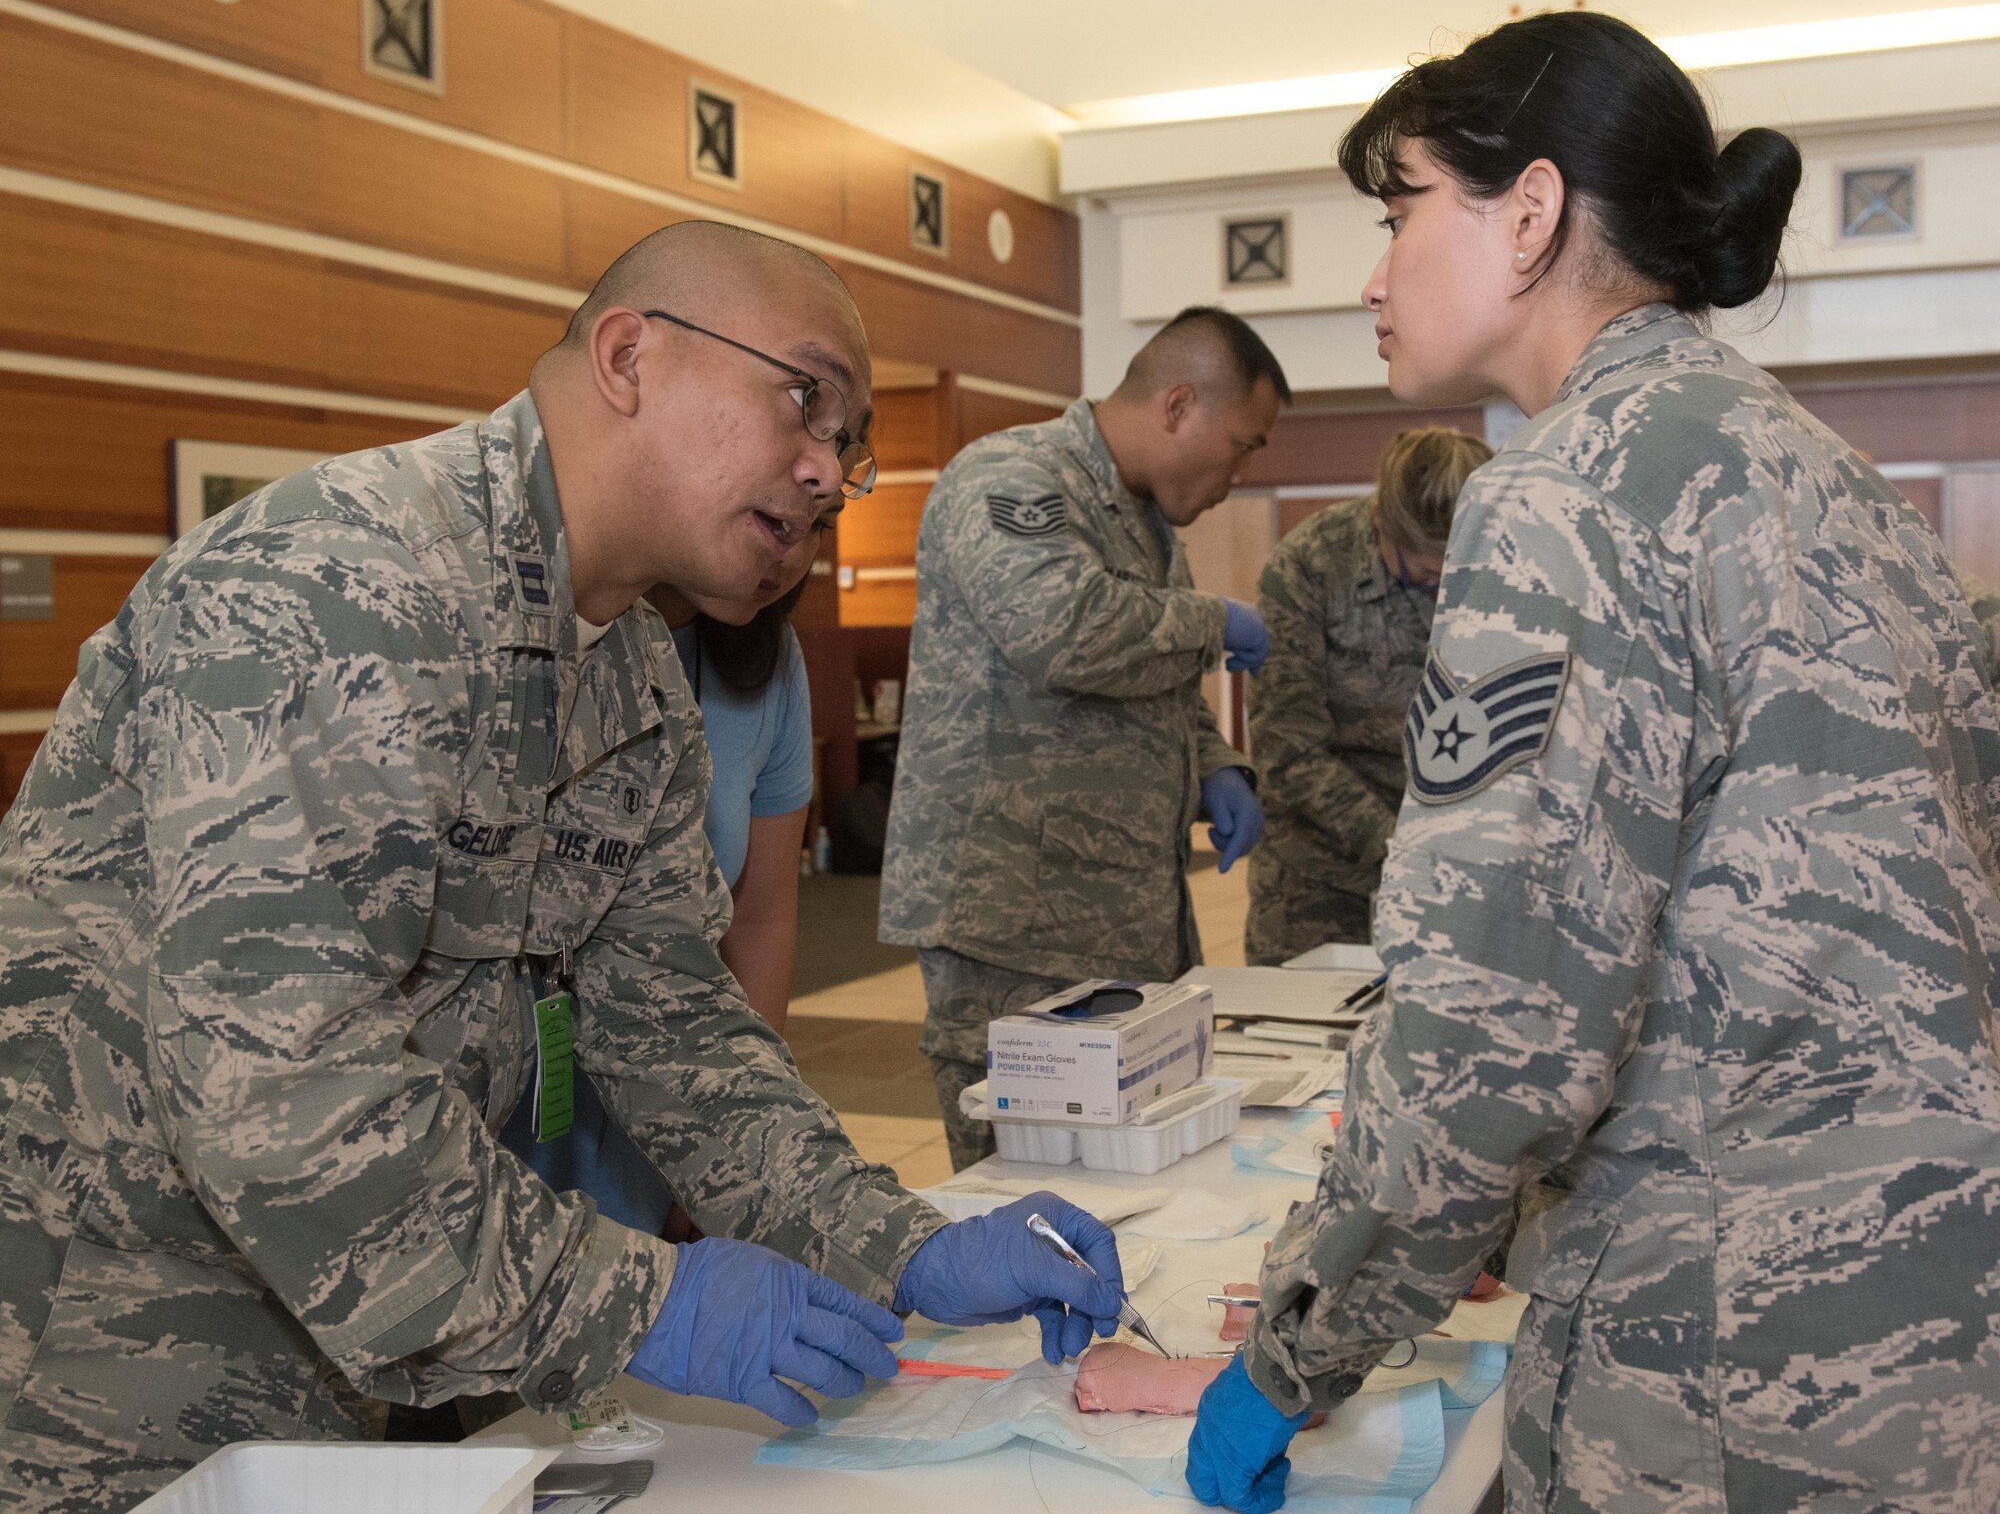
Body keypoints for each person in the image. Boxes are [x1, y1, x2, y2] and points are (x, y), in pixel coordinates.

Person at [0, 220, 1124, 1510]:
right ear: (629, 354)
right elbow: (282, 1087)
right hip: (105, 1338)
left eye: (849, 446)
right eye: (804, 399)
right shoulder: (340, 588)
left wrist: (895, 1243)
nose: (827, 473)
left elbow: (672, 1030)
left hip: (375, 1339)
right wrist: (640, 1303)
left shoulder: (632, 675)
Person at [1185, 12, 2000, 1514]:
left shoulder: (1569, 492)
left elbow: (1496, 1036)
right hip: (1933, 1325)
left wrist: (1295, 1347)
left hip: (1721, 1360)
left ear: (1534, 212)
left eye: (1399, 209)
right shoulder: (1829, 477)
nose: (1370, 277)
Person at [879, 306, 1286, 1170]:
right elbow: (1061, 629)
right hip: (1014, 932)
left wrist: (1217, 764)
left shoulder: (1144, 523)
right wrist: (1212, 620)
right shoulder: (1015, 478)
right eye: (1244, 444)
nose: (1239, 476)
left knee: (1141, 1195)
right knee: (1023, 1202)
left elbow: (1156, 675)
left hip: (1128, 922)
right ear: (1178, 406)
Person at [498, 518, 827, 1240]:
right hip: (487, 1093)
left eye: (818, 527)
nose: (793, 551)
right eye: (773, 521)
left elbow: (761, 916)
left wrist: (724, 1163)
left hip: (663, 1074)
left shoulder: (765, 662)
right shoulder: (525, 624)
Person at [1243, 426, 1491, 963]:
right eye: (1427, 574)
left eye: (1457, 573)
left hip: (1461, 874)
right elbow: (1287, 752)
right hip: (1320, 880)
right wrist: (1403, 846)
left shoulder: (1506, 566)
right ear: (1382, 519)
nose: (1442, 589)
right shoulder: (1309, 566)